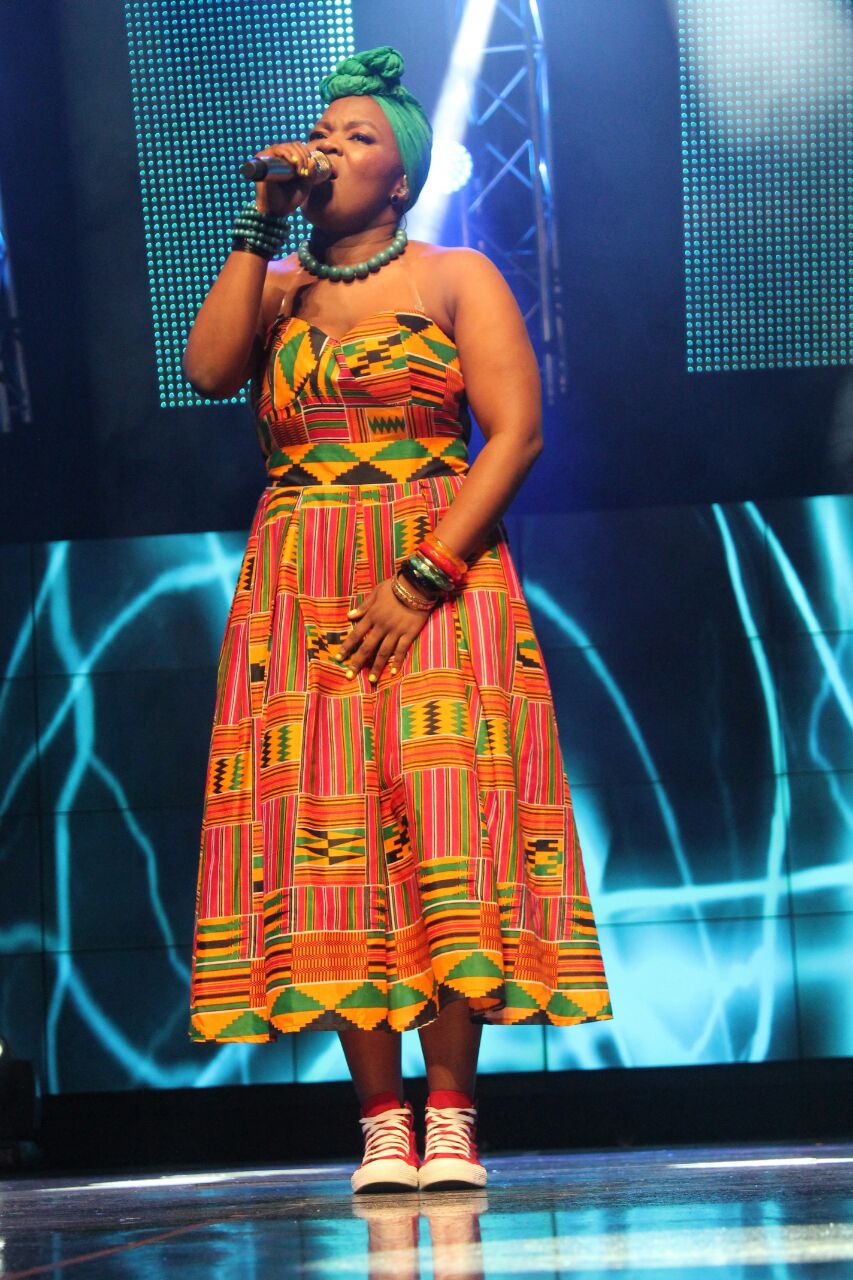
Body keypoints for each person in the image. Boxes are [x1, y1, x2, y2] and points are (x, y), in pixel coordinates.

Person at [183, 45, 612, 1194]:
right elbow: (211, 370)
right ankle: (381, 1118)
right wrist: (260, 222)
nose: (329, 146)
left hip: (439, 572)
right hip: (301, 578)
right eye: (322, 131)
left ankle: (453, 1112)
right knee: (330, 830)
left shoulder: (454, 275)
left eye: (356, 137)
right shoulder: (277, 287)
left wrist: (423, 574)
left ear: (403, 177)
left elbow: (514, 434)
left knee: (444, 818)